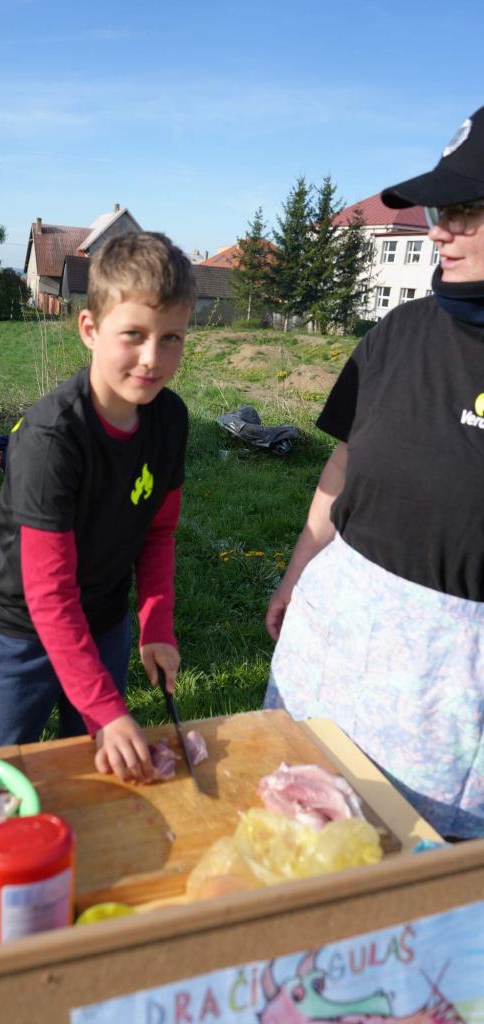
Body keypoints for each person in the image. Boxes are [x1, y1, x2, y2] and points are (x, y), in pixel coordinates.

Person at [263, 105, 484, 841]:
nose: (439, 231)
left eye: (465, 211)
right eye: (439, 211)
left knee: (419, 881)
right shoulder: (399, 332)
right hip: (337, 647)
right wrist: (298, 571)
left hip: (450, 701)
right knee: (299, 837)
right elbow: (344, 461)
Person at [0, 232, 195, 781]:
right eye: (134, 335)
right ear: (90, 329)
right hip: (20, 633)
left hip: (103, 621)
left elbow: (158, 533)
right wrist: (107, 710)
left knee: (99, 773)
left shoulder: (169, 420)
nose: (152, 359)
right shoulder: (52, 438)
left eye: (171, 338)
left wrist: (156, 625)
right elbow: (48, 594)